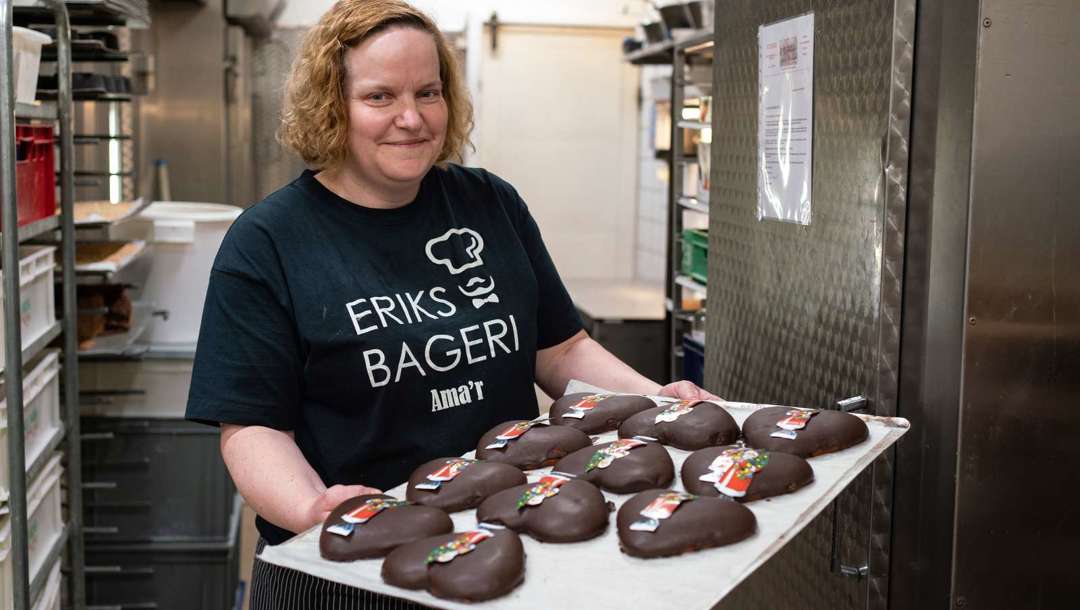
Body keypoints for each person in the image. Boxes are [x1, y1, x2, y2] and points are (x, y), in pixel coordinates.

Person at [185, 1, 719, 607]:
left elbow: (561, 349)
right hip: (348, 561)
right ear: (330, 105)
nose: (411, 118)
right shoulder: (270, 240)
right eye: (380, 96)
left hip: (497, 543)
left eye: (429, 92)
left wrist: (655, 399)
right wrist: (313, 506)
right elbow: (252, 424)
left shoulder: (489, 203)